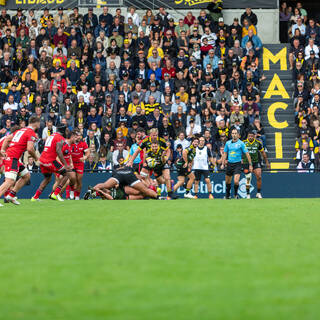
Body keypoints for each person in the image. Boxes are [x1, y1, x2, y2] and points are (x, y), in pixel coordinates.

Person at [0, 116, 40, 206]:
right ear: (36, 123)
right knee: (10, 181)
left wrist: (3, 150)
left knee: (26, 176)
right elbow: (30, 149)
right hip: (12, 157)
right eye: (39, 123)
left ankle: (11, 195)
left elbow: (7, 139)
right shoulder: (31, 132)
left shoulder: (21, 130)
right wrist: (36, 158)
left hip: (14, 158)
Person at [31, 126, 72, 201]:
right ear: (63, 131)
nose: (67, 133)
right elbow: (58, 151)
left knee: (47, 178)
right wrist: (65, 164)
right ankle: (55, 194)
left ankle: (35, 197)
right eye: (66, 131)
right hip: (50, 160)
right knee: (67, 174)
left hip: (42, 159)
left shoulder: (51, 136)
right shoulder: (60, 137)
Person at [84, 159, 158, 200]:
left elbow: (140, 177)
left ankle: (91, 191)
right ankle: (158, 197)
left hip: (119, 175)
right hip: (126, 181)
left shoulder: (123, 168)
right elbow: (140, 178)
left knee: (105, 185)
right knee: (141, 191)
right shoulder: (139, 190)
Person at [220, 128, 253, 199]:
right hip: (229, 164)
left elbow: (247, 154)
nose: (234, 135)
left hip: (237, 164)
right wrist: (223, 164)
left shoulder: (241, 143)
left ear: (238, 135)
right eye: (233, 133)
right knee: (227, 182)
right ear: (231, 134)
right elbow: (225, 154)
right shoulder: (228, 143)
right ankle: (227, 195)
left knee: (236, 181)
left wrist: (250, 164)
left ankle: (235, 195)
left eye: (235, 133)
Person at [243, 131, 270, 199]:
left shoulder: (258, 143)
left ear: (254, 136)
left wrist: (267, 162)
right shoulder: (243, 143)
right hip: (246, 163)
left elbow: (263, 153)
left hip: (255, 162)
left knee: (259, 176)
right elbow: (239, 151)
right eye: (249, 136)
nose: (250, 137)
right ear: (247, 136)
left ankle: (258, 193)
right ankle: (248, 194)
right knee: (248, 178)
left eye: (252, 136)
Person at [70, 131, 90, 200]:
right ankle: (72, 190)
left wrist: (84, 157)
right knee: (72, 178)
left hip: (80, 164)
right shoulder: (70, 143)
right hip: (71, 163)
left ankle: (77, 196)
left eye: (79, 135)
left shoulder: (83, 143)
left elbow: (87, 152)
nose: (78, 137)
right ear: (73, 136)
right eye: (76, 136)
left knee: (79, 180)